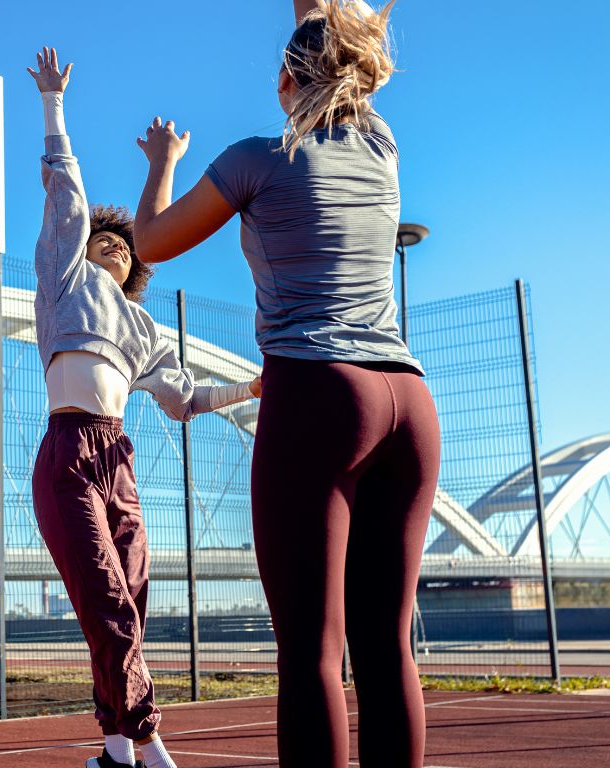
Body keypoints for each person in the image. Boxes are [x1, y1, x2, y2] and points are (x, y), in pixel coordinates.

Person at [129, 2, 439, 766]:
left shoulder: (255, 160)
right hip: (409, 399)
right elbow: (329, 26)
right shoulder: (381, 144)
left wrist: (162, 162)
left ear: (284, 79)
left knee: (312, 652)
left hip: (321, 394)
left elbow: (149, 244)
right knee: (385, 646)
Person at [27, 47, 261, 768]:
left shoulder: (143, 329)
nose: (110, 248)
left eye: (122, 249)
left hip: (116, 457)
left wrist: (250, 391)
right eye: (102, 240)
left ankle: (112, 750)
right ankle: (151, 742)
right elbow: (66, 199)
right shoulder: (65, 280)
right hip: (66, 454)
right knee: (106, 604)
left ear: (135, 269)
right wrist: (54, 105)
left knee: (129, 601)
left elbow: (185, 401)